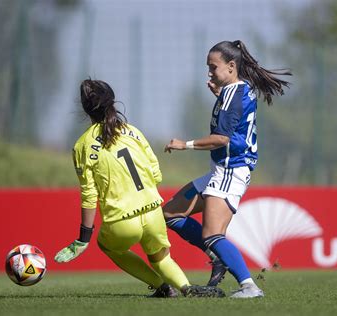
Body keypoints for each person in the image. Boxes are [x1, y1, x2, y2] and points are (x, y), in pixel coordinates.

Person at [54, 79, 224, 298]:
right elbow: (156, 173)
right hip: (153, 213)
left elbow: (89, 195)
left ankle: (162, 288)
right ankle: (187, 288)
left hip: (121, 221)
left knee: (107, 246)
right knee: (161, 258)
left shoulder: (82, 146)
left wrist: (83, 238)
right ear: (112, 102)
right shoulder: (132, 131)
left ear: (86, 108)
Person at [163, 40, 291, 298]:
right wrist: (219, 96)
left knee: (211, 233)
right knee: (170, 214)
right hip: (220, 170)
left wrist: (184, 144)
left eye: (213, 67)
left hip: (231, 171)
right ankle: (218, 256)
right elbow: (234, 118)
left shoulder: (232, 94)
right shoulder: (237, 90)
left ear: (231, 66)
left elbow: (221, 139)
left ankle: (249, 286)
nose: (209, 72)